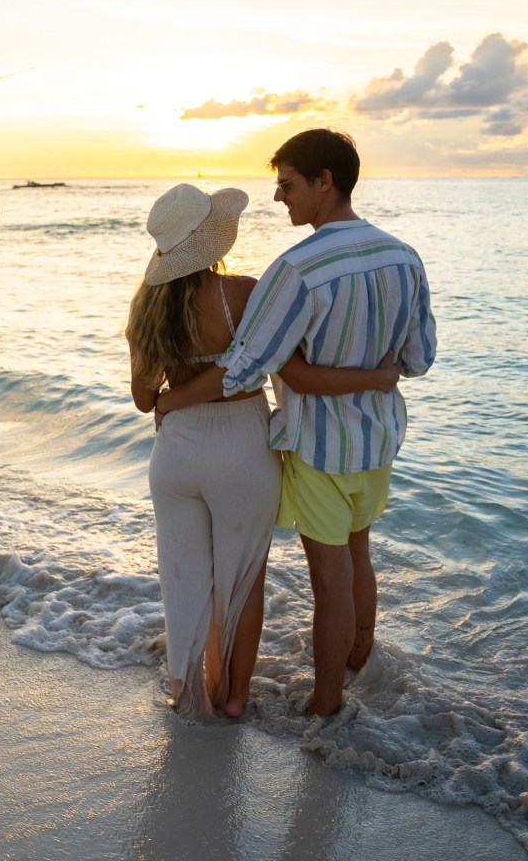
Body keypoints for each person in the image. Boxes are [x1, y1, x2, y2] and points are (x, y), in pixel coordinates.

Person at [157, 129, 436, 716]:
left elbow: (242, 369)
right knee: (360, 556)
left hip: (319, 446)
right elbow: (419, 359)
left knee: (330, 579)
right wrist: (373, 374)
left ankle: (327, 705)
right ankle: (361, 665)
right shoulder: (403, 256)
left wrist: (170, 402)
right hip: (379, 441)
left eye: (286, 185)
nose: (279, 197)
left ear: (323, 182)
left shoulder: (296, 269)